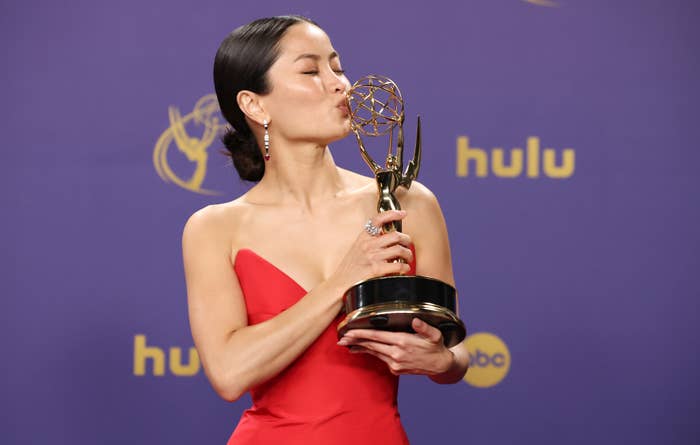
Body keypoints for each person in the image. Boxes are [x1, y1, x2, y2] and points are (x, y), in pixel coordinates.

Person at [182, 15, 469, 445]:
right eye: (311, 71)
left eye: (337, 66)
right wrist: (344, 280)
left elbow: (456, 352)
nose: (340, 85)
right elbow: (229, 373)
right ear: (255, 105)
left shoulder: (408, 202)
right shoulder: (215, 229)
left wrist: (440, 360)